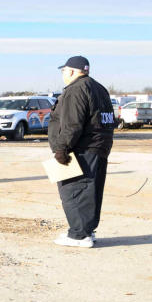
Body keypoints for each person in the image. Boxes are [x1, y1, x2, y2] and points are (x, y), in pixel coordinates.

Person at [48, 56, 115, 248]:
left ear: (71, 71)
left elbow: (72, 123)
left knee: (74, 190)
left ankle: (79, 235)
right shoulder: (99, 88)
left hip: (81, 148)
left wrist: (62, 148)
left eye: (63, 71)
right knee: (90, 191)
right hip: (98, 147)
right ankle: (86, 230)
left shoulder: (76, 89)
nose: (63, 74)